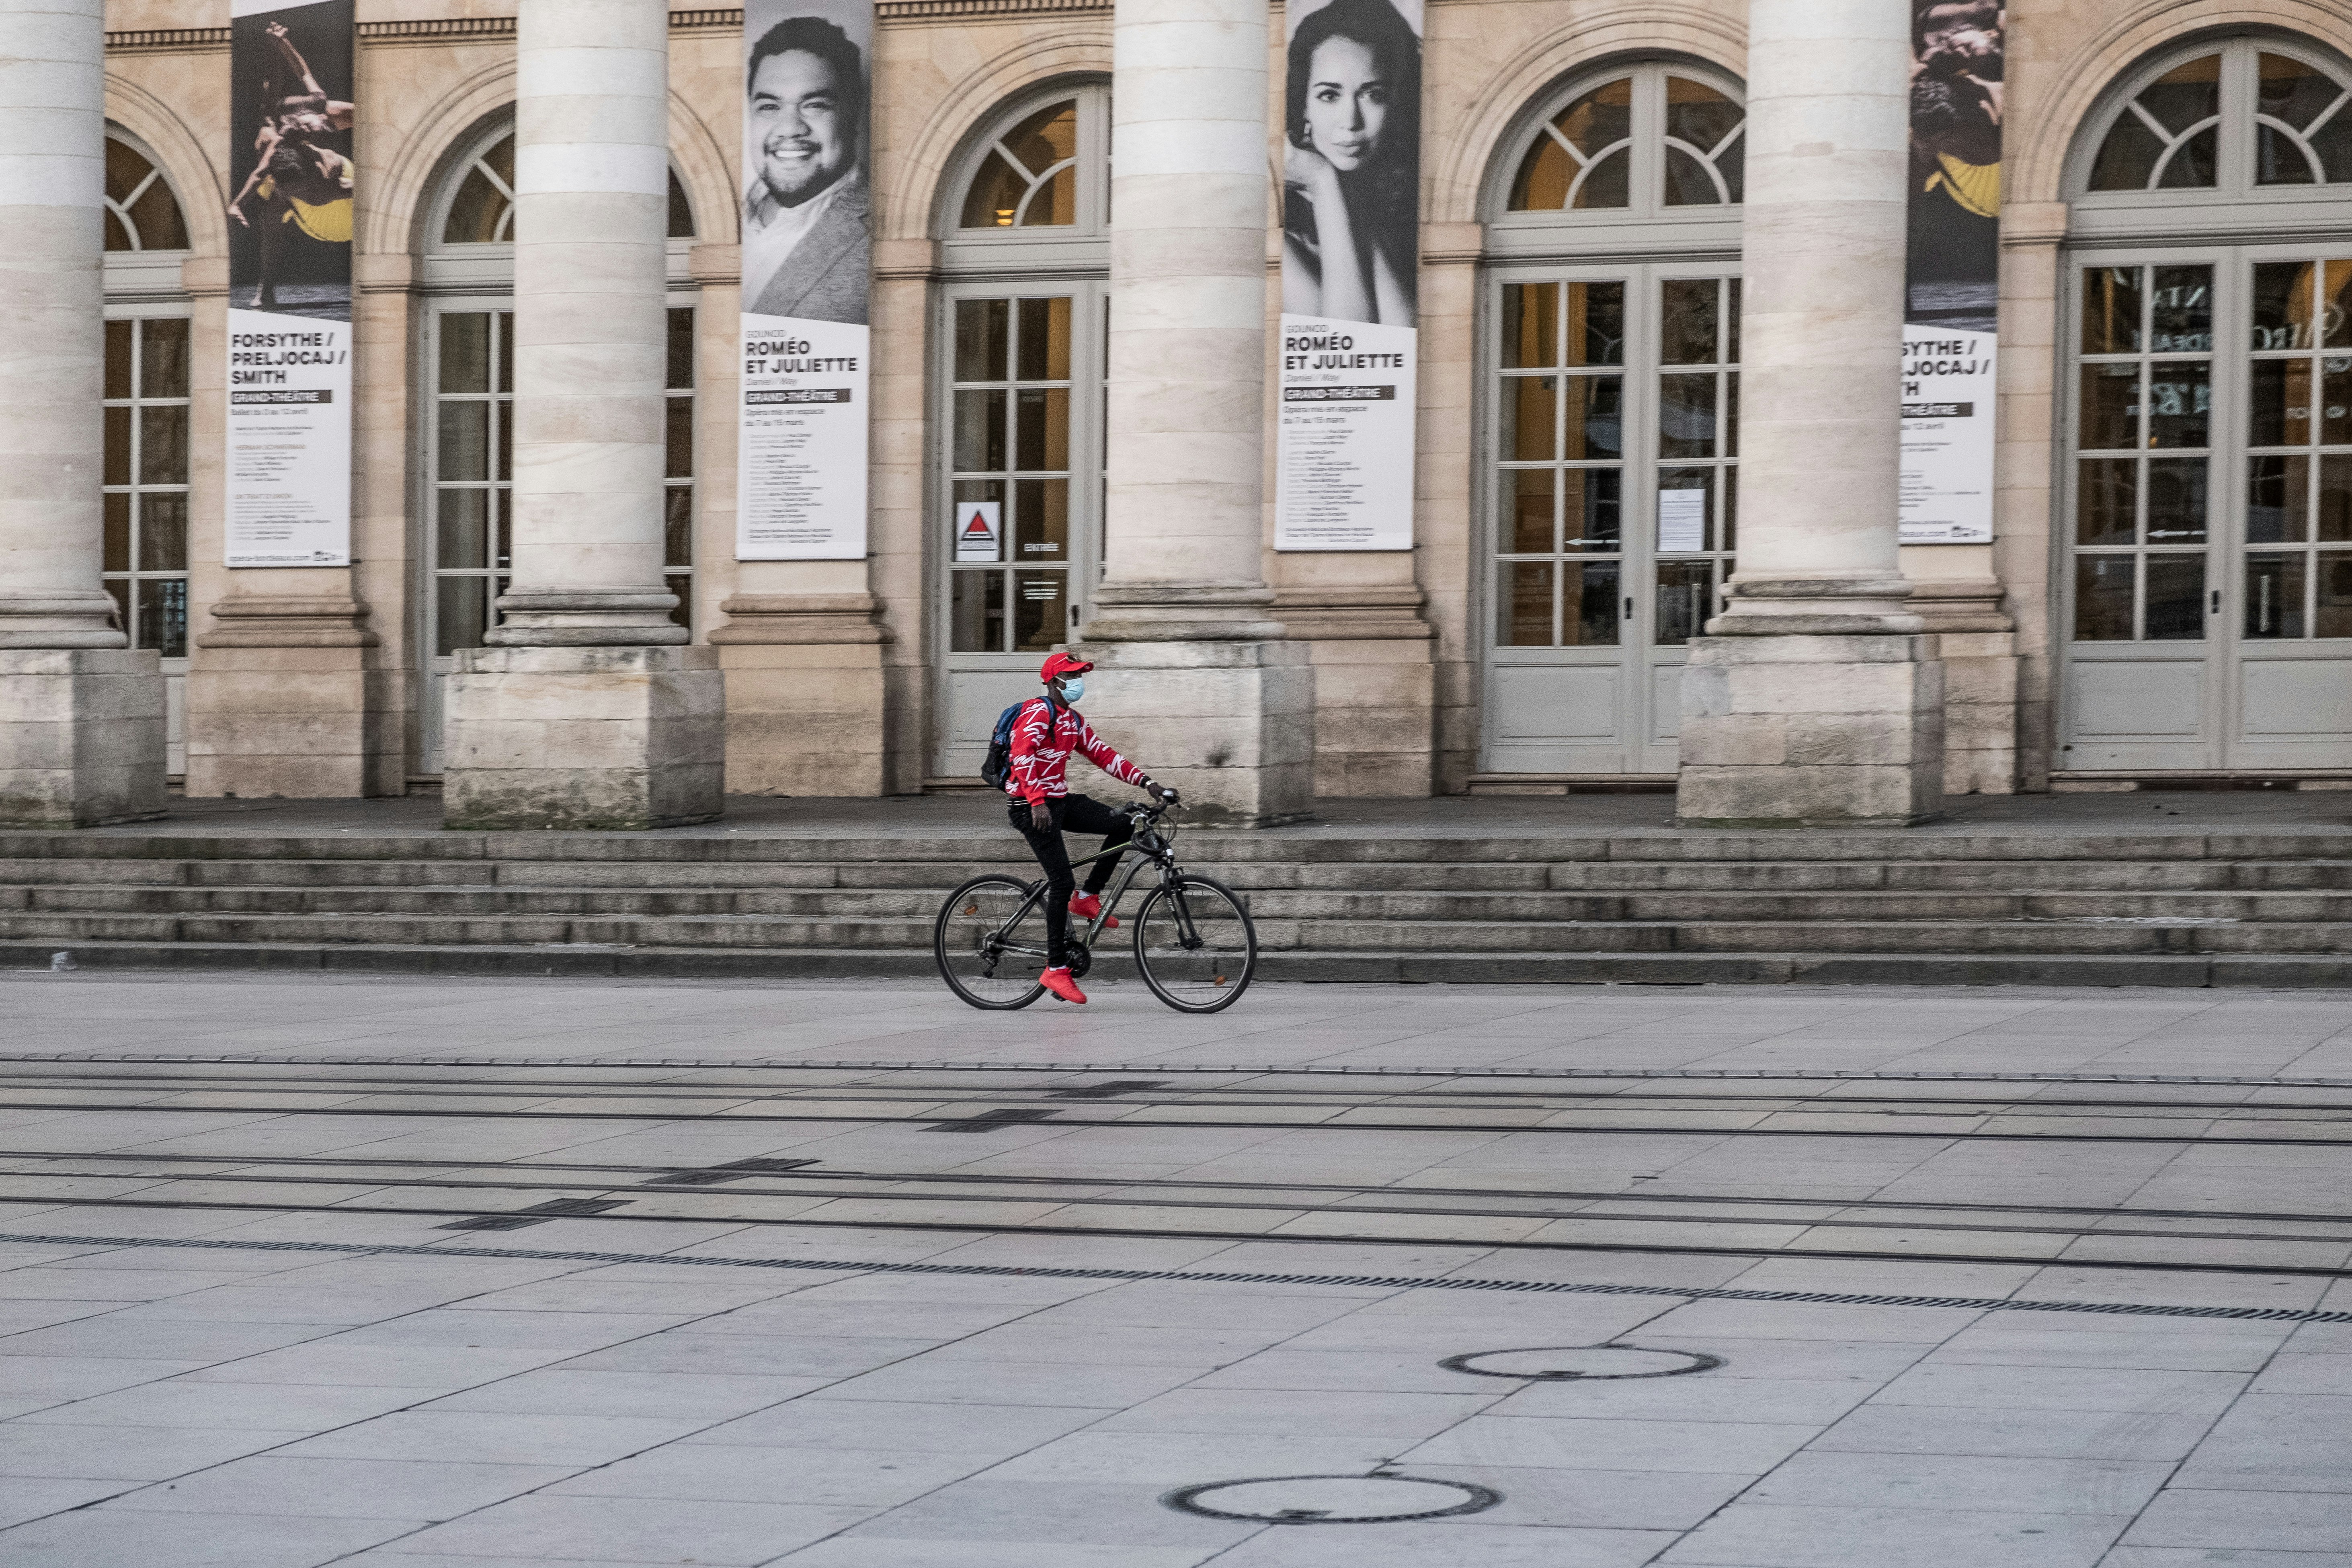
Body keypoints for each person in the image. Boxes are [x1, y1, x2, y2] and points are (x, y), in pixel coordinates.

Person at [1004, 653, 1179, 1006]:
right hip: (1030, 806)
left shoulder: (1072, 720)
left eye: (1080, 674)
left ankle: (1087, 899)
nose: (1078, 680)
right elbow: (1020, 755)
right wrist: (1036, 800)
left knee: (1128, 822)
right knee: (1060, 881)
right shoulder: (1039, 712)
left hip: (1059, 800)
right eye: (1071, 675)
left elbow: (1105, 755)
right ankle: (1055, 968)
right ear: (1054, 682)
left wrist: (1149, 784)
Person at [1281, 0, 1418, 328]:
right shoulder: (1276, 226)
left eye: (1373, 95)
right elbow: (1345, 340)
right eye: (1329, 95)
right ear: (1303, 106)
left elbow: (1400, 333)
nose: (1350, 122)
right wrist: (1322, 180)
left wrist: (1340, 199)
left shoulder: (1408, 208)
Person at [742, 16, 869, 324]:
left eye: (814, 105)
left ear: (851, 116)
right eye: (769, 107)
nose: (789, 129)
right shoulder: (733, 219)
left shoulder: (874, 227)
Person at [226, 127, 353, 310]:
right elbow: (259, 174)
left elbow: (369, 189)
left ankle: (265, 291)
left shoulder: (326, 180)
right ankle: (266, 291)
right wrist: (237, 204)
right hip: (309, 212)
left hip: (342, 223)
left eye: (292, 189)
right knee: (266, 137)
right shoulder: (278, 147)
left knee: (276, 201)